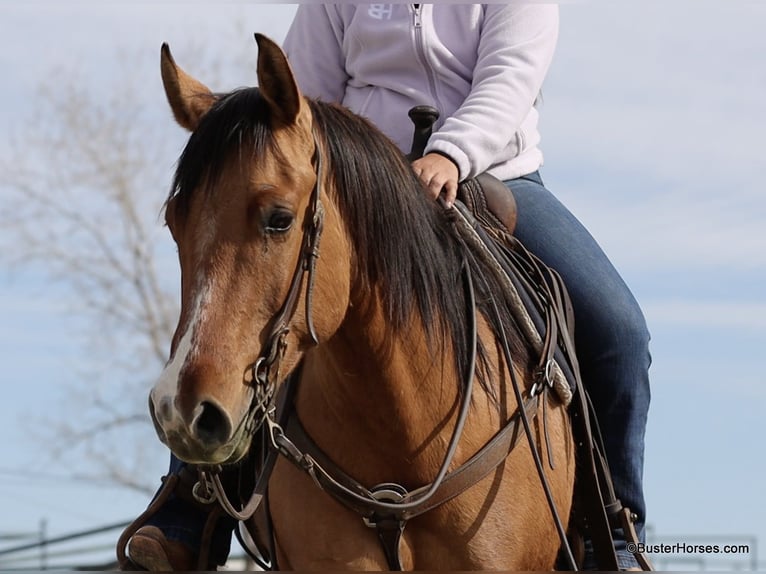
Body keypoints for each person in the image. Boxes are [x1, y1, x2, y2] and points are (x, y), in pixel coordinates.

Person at [126, 4, 651, 571]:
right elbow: (300, 96)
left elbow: (510, 77)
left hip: (491, 173)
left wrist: (450, 153)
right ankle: (189, 509)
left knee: (619, 331)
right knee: (246, 285)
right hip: (355, 183)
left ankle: (613, 538)